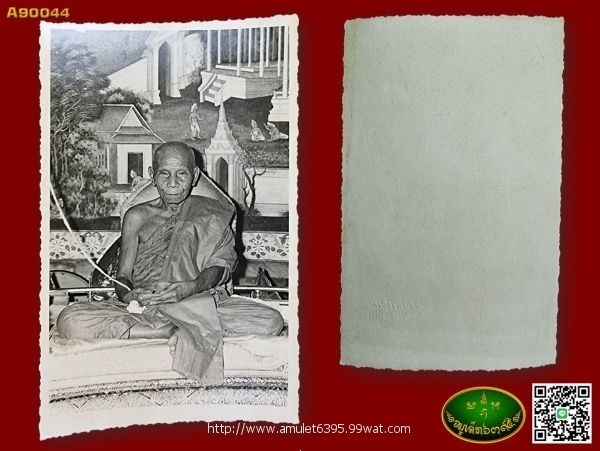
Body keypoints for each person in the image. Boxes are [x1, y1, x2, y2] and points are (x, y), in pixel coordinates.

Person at [56, 142, 284, 383]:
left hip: (198, 302)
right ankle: (170, 331)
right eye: (164, 173)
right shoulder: (137, 216)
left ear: (194, 176)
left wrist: (192, 287)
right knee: (70, 319)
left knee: (270, 321)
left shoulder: (214, 214)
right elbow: (122, 277)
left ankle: (170, 328)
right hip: (147, 306)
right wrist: (129, 295)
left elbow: (220, 268)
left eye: (181, 174)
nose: (173, 182)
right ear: (153, 175)